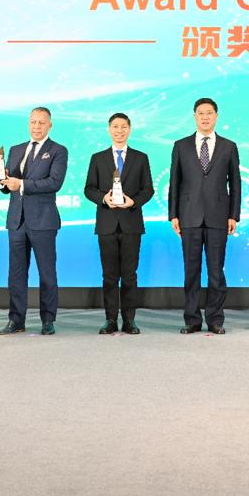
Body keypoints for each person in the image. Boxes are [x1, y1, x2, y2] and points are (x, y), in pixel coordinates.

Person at [169, 98, 240, 335]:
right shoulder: (181, 145)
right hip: (189, 216)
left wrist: (234, 215)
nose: (205, 117)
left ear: (216, 116)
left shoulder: (229, 146)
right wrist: (173, 214)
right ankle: (191, 319)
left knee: (216, 271)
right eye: (201, 113)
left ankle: (215, 319)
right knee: (191, 271)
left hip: (219, 216)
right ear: (195, 116)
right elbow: (175, 181)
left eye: (209, 113)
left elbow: (236, 184)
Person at [0, 107, 68, 336]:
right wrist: (1, 180)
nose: (36, 126)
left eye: (41, 122)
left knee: (47, 273)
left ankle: (48, 320)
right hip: (16, 220)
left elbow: (54, 182)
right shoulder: (16, 149)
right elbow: (9, 185)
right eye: (33, 122)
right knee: (16, 274)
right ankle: (16, 320)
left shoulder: (58, 150)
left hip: (43, 221)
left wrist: (22, 184)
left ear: (50, 125)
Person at [84, 112, 154, 335]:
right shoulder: (98, 158)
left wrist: (133, 202)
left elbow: (148, 189)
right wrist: (103, 198)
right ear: (109, 129)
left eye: (124, 126)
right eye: (115, 126)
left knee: (130, 275)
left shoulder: (140, 158)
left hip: (131, 223)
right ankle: (110, 319)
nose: (120, 130)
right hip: (106, 223)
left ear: (129, 129)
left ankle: (130, 320)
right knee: (109, 275)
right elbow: (89, 189)